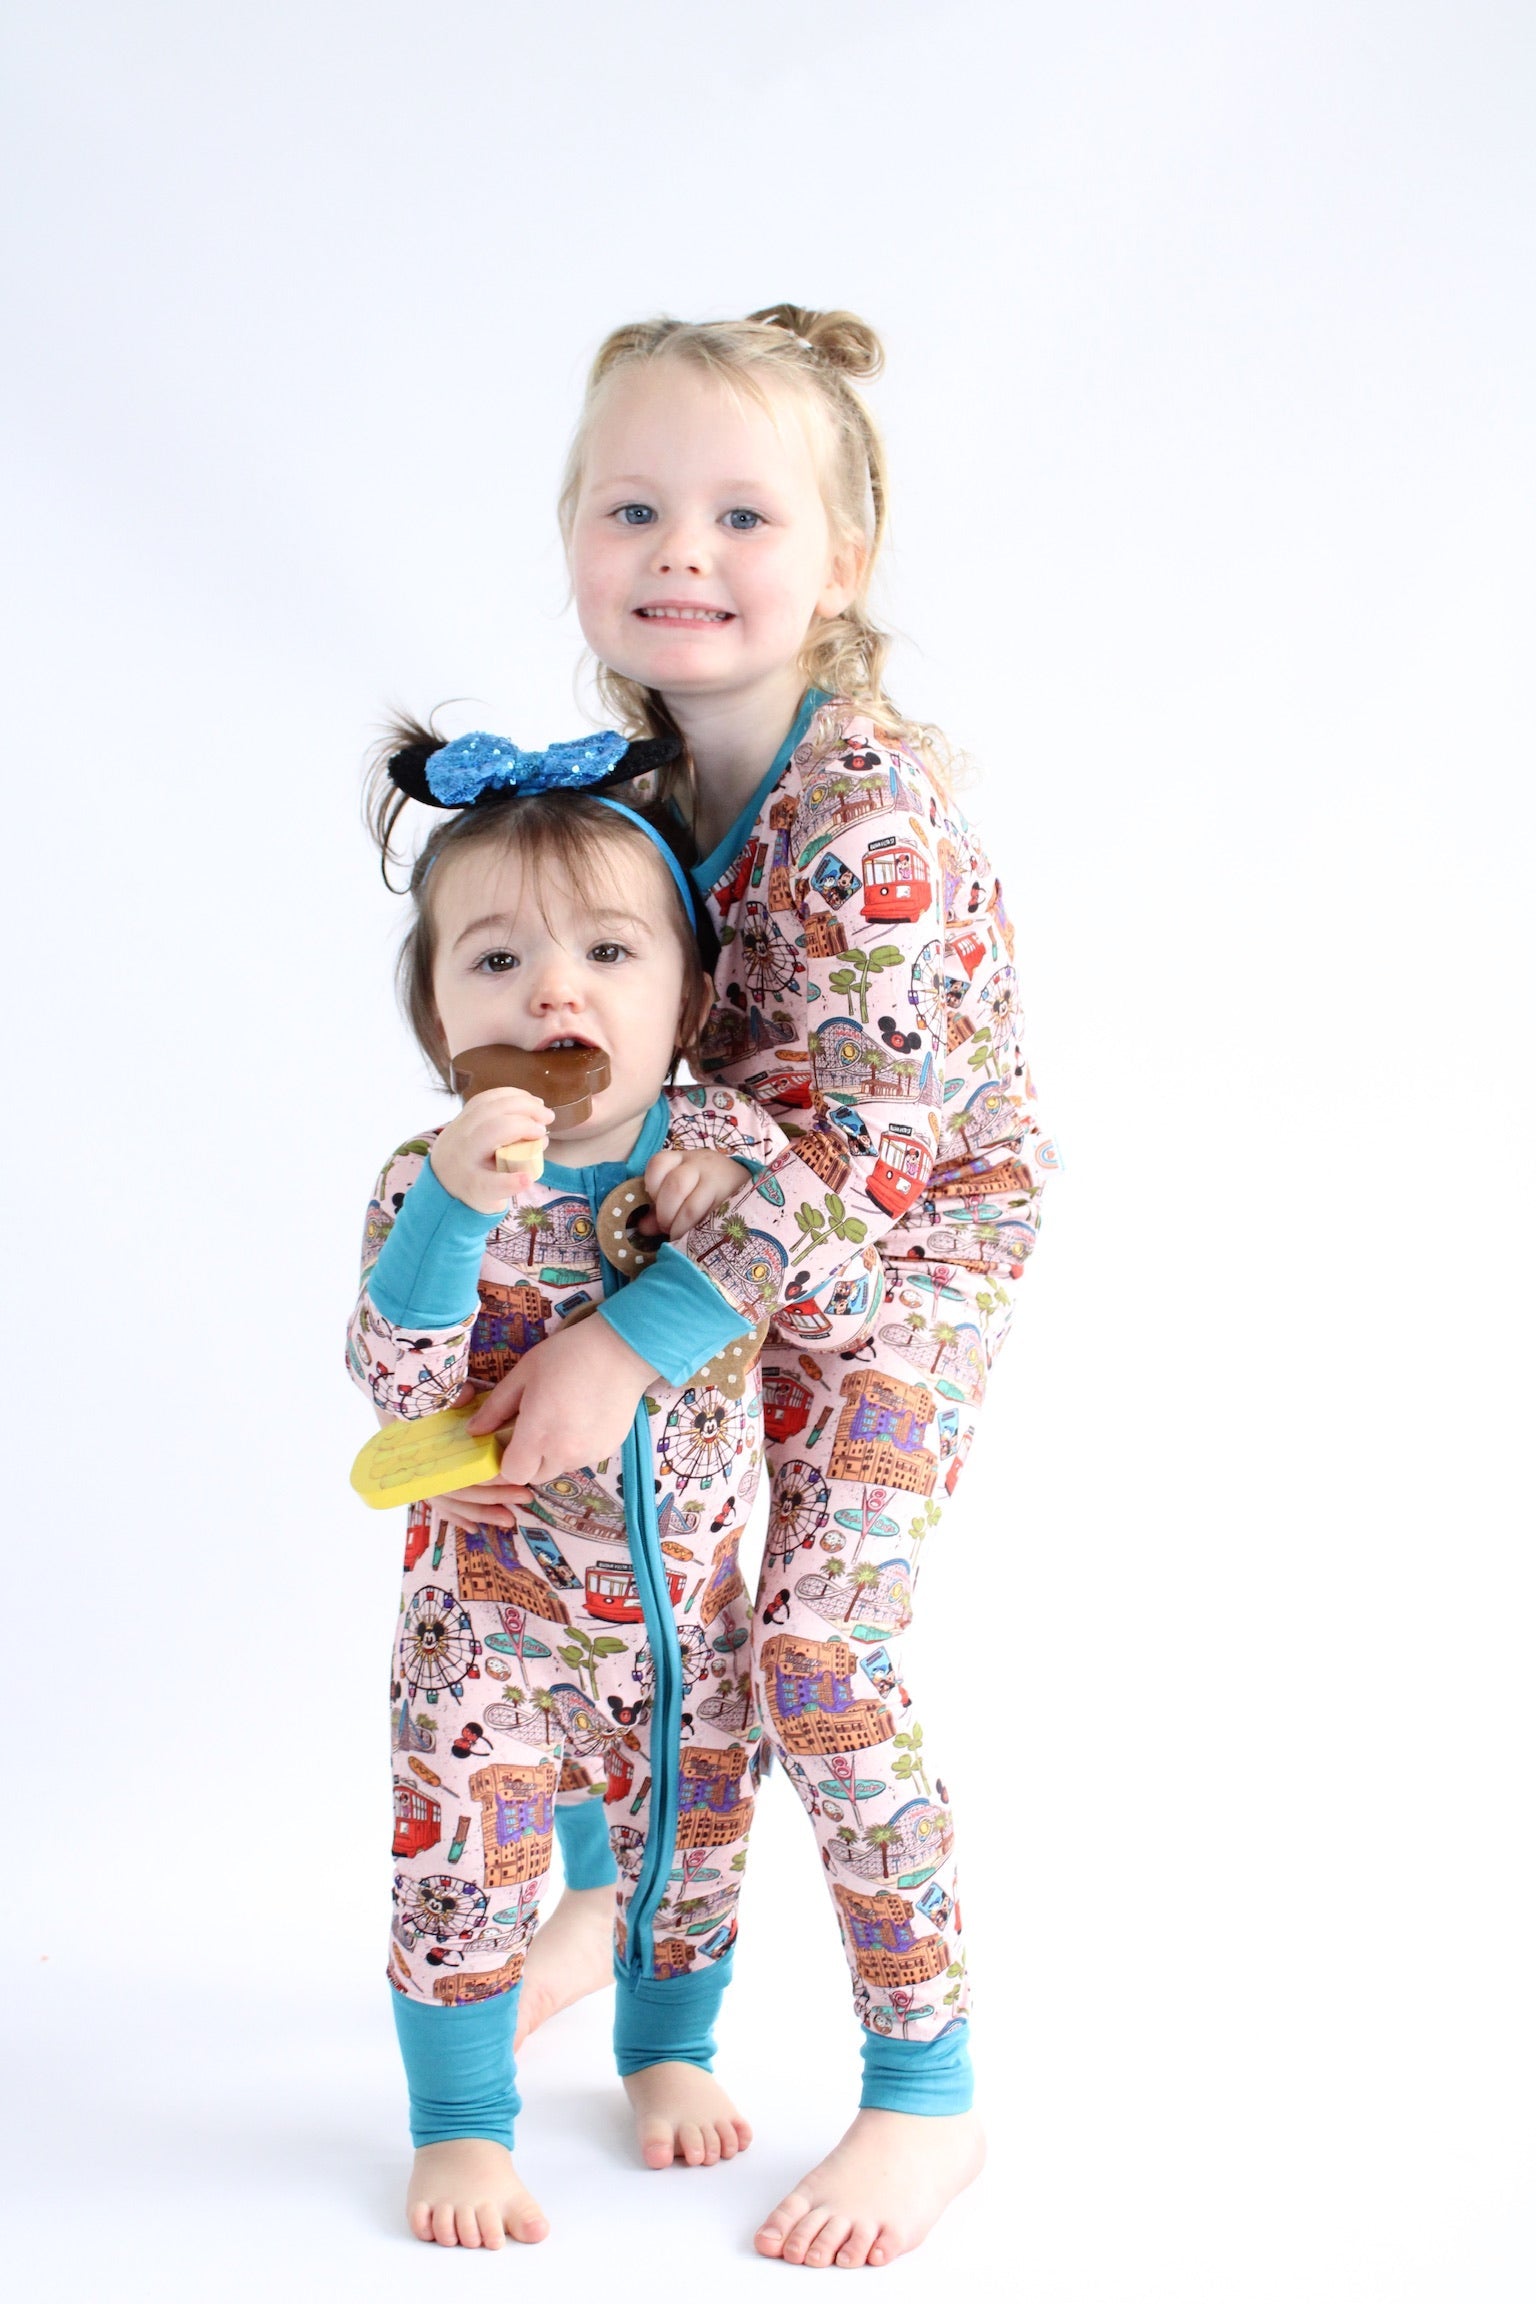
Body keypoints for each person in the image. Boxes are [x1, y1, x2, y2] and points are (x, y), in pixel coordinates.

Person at [462, 303, 1058, 2270]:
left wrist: (639, 1341)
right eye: (633, 508)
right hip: (707, 1210)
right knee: (598, 1556)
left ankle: (926, 2092)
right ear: (573, 533)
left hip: (908, 1246)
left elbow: (874, 1164)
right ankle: (606, 1896)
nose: (683, 554)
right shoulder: (634, 784)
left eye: (743, 515)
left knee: (812, 1644)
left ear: (845, 561)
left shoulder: (867, 816)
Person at [348, 726, 884, 2248]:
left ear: (691, 999)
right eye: (496, 960)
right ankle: (460, 2125)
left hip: (689, 1626)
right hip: (488, 1632)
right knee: (462, 1872)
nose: (553, 995)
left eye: (606, 951)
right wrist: (454, 1213)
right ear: (438, 1016)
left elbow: (844, 1302)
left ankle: (665, 2048)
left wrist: (737, 1212)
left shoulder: (732, 1147)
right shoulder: (422, 1180)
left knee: (687, 1861)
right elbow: (394, 1375)